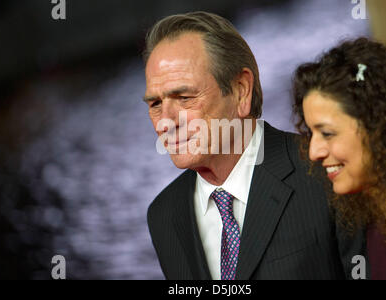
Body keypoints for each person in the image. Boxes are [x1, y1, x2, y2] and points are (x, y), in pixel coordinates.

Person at [144, 11, 366, 280]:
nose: (165, 123)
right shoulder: (164, 214)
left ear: (241, 91)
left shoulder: (327, 175)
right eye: (155, 104)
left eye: (184, 97)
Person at [292, 37, 386, 280]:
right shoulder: (378, 224)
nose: (313, 151)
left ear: (379, 127)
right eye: (310, 132)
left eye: (327, 133)